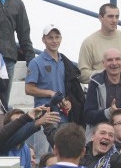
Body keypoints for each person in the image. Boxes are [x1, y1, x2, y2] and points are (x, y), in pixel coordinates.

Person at [25, 24, 80, 154]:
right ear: (43, 39)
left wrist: (67, 101)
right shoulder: (36, 62)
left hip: (63, 117)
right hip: (45, 115)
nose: (54, 41)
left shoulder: (64, 62)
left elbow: (67, 88)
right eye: (50, 38)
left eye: (57, 37)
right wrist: (50, 93)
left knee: (65, 154)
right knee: (42, 155)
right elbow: (28, 89)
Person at [77, 3, 121, 83]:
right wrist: (108, 74)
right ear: (100, 18)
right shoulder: (89, 43)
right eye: (110, 16)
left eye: (117, 17)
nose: (114, 20)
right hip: (100, 91)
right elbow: (82, 75)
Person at [84, 48, 121, 128]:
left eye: (118, 59)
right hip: (103, 135)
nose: (114, 63)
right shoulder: (95, 83)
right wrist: (109, 112)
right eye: (109, 60)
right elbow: (87, 116)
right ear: (103, 63)